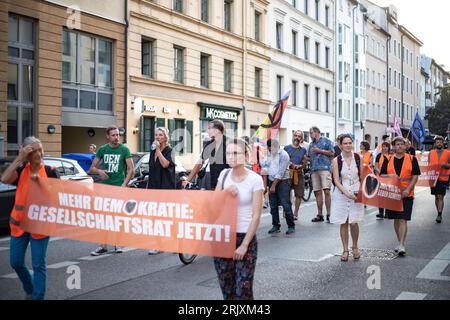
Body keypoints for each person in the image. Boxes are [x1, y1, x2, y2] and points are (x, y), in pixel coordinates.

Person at [1, 137, 59, 300]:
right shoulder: (21, 171)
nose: (40, 153)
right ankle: (30, 288)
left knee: (38, 265)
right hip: (19, 226)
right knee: (16, 262)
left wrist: (41, 184)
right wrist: (19, 158)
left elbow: (58, 197)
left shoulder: (50, 171)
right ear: (27, 153)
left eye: (41, 149)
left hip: (40, 226)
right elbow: (4, 178)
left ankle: (37, 297)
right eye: (35, 150)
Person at [214, 138, 264, 300]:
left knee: (243, 290)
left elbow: (256, 215)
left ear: (245, 154)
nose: (231, 157)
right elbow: (213, 204)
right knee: (227, 290)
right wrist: (224, 193)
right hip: (224, 237)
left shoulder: (255, 179)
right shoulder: (224, 175)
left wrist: (244, 245)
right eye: (228, 153)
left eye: (235, 153)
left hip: (245, 238)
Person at [89, 126, 134, 256]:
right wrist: (99, 171)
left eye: (118, 135)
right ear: (108, 136)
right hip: (105, 188)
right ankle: (103, 246)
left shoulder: (124, 149)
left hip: (118, 187)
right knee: (104, 217)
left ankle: (117, 243)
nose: (116, 137)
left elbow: (131, 169)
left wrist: (124, 185)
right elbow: (91, 168)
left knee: (116, 216)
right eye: (113, 135)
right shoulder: (103, 149)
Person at [380, 136, 420, 257]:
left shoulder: (412, 158)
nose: (399, 146)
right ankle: (399, 241)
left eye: (402, 144)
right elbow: (382, 175)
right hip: (393, 194)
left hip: (407, 194)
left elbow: (415, 176)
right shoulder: (388, 159)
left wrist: (408, 189)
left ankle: (402, 244)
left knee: (403, 219)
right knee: (396, 220)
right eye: (397, 144)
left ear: (405, 146)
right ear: (394, 146)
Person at [330, 135, 364, 262]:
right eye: (345, 143)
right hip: (341, 193)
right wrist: (346, 193)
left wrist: (360, 192)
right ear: (340, 145)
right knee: (343, 222)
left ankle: (355, 247)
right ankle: (345, 249)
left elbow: (363, 176)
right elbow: (336, 180)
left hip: (356, 192)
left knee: (354, 222)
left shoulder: (358, 157)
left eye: (350, 143)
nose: (348, 145)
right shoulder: (336, 160)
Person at [146, 127, 176, 254]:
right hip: (154, 187)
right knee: (155, 217)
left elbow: (165, 164)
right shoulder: (153, 152)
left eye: (160, 135)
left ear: (165, 137)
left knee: (165, 217)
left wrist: (158, 150)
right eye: (156, 135)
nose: (157, 137)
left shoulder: (170, 150)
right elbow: (152, 169)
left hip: (166, 188)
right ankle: (159, 244)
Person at [182, 120, 229, 190]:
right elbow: (199, 164)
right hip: (214, 183)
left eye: (209, 128)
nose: (207, 131)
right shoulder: (209, 144)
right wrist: (187, 180)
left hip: (228, 183)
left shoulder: (229, 143)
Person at [266, 139, 295, 235]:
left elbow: (280, 172)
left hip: (283, 181)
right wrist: (268, 184)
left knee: (285, 204)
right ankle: (275, 225)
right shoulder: (268, 154)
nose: (271, 151)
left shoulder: (284, 155)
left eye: (272, 149)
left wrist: (273, 186)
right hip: (271, 180)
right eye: (269, 149)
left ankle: (291, 225)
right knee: (273, 205)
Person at [307, 126, 334, 223]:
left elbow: (332, 152)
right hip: (314, 169)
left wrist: (320, 151)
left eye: (311, 133)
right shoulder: (311, 145)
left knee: (326, 191)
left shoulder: (326, 141)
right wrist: (306, 159)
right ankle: (320, 214)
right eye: (310, 133)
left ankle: (329, 214)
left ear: (317, 132)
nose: (310, 135)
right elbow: (309, 157)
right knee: (317, 192)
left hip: (325, 168)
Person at [284, 131, 308, 220]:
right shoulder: (286, 148)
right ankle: (286, 211)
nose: (297, 138)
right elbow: (283, 160)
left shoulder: (303, 150)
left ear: (301, 139)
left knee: (299, 194)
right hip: (287, 173)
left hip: (299, 173)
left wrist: (303, 164)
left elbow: (304, 164)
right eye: (295, 135)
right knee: (286, 193)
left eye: (299, 136)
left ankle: (295, 213)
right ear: (293, 136)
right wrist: (290, 163)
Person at [429, 136, 450, 223]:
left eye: (440, 142)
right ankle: (438, 211)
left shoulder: (448, 153)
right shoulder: (431, 152)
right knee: (436, 196)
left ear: (443, 143)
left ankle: (439, 215)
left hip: (443, 178)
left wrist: (445, 165)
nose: (439, 143)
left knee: (440, 196)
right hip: (433, 178)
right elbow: (428, 164)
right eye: (437, 142)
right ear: (435, 143)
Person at [374, 142, 392, 219]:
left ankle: (387, 213)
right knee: (381, 195)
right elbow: (375, 166)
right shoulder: (379, 156)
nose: (384, 148)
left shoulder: (391, 156)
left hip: (389, 178)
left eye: (386, 147)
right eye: (383, 147)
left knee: (388, 196)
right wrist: (380, 173)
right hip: (380, 177)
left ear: (388, 148)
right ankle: (381, 212)